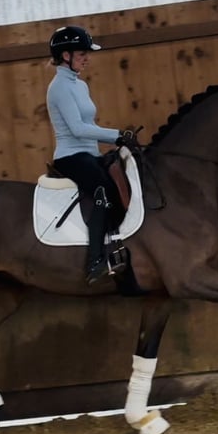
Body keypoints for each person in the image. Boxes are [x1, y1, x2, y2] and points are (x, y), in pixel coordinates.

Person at [46, 25, 135, 285]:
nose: (87, 57)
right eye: (82, 53)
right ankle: (95, 261)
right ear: (66, 56)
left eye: (87, 53)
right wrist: (117, 135)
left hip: (90, 154)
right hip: (70, 157)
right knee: (102, 190)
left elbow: (91, 127)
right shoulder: (59, 88)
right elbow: (77, 129)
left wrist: (119, 138)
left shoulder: (80, 85)